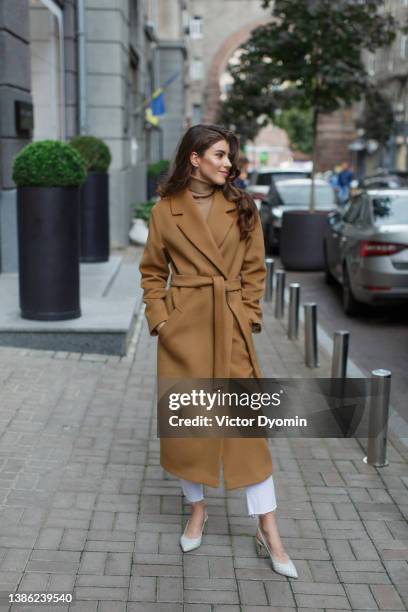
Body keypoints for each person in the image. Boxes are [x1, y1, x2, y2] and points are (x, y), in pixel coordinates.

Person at [139, 124, 298, 579]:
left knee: (248, 433)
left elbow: (254, 271)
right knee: (192, 427)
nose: (229, 163)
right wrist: (162, 321)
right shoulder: (166, 211)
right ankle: (197, 510)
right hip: (185, 330)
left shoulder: (243, 206)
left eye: (230, 156)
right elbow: (152, 272)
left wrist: (247, 317)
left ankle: (269, 530)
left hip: (229, 327)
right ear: (194, 157)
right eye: (221, 154)